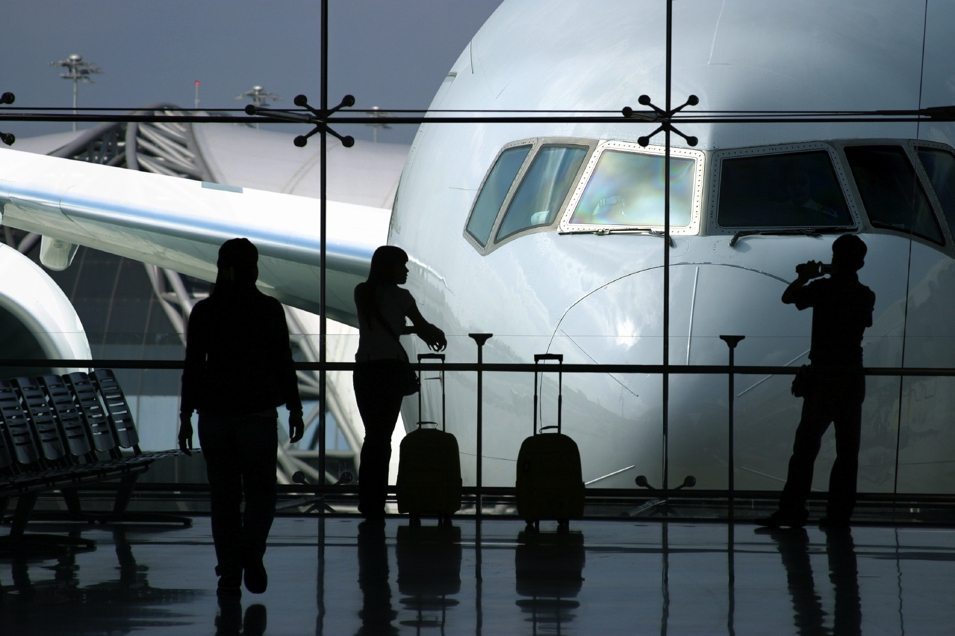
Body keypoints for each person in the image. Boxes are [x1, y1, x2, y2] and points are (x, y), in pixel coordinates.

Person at [178, 237, 304, 598]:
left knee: (224, 497)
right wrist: (294, 407)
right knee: (262, 492)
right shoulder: (268, 310)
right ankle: (252, 550)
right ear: (254, 268)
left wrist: (186, 415)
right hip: (257, 413)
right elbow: (283, 362)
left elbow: (193, 368)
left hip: (214, 415)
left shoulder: (205, 312)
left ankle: (229, 571)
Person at [759, 234, 875, 529]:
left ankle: (793, 509)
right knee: (847, 452)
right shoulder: (865, 295)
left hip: (822, 376)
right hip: (850, 377)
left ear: (835, 258)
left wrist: (806, 276)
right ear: (860, 263)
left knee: (805, 449)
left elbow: (788, 297)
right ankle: (839, 515)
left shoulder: (822, 289)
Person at [353, 245, 446, 522]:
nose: (405, 271)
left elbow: (378, 325)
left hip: (366, 369)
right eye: (401, 266)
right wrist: (426, 331)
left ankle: (367, 501)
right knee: (384, 437)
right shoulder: (403, 297)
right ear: (389, 267)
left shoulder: (362, 292)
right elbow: (422, 326)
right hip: (391, 370)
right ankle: (377, 499)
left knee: (372, 437)